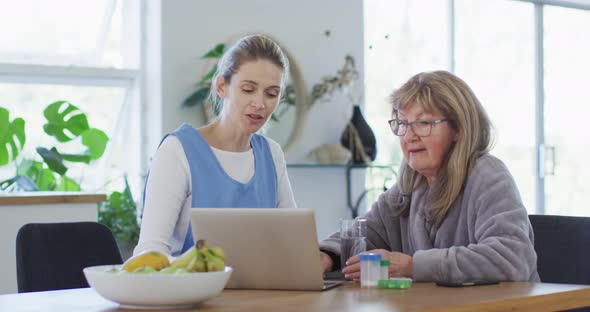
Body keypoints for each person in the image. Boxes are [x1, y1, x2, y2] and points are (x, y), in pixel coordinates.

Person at [319, 70, 540, 282]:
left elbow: (512, 258)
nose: (409, 136)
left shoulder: (488, 175)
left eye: (423, 123)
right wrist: (327, 256)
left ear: (458, 129)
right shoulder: (410, 184)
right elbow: (366, 232)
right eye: (403, 124)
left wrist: (413, 266)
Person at [134, 34, 297, 257]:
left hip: (260, 290)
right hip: (190, 290)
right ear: (222, 86)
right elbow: (150, 252)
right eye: (248, 89)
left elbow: (291, 239)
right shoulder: (178, 150)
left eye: (271, 93)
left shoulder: (272, 154)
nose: (260, 104)